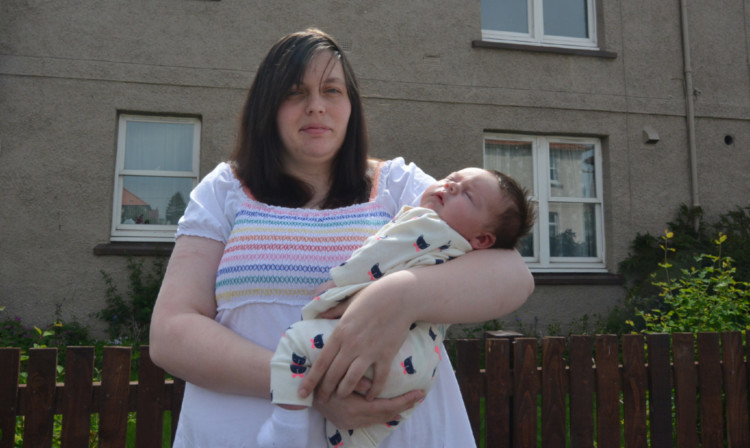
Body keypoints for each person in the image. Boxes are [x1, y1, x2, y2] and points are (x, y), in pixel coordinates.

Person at [149, 28, 534, 448]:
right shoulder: (223, 191)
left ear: (351, 105)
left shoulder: (401, 188)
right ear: (268, 107)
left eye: (332, 90)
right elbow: (171, 333)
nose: (316, 107)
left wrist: (397, 296)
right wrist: (306, 383)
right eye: (295, 93)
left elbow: (513, 276)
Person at [257, 167, 533, 448]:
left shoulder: (427, 225)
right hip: (414, 370)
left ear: (483, 240)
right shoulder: (463, 255)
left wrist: (337, 284)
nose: (450, 187)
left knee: (295, 344)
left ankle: (285, 433)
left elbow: (378, 256)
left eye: (468, 195)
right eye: (452, 179)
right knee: (352, 435)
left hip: (386, 350)